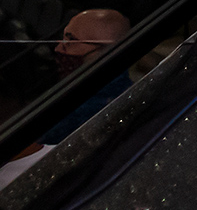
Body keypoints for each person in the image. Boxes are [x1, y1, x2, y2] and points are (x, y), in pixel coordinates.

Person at [40, 8, 133, 142]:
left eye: (71, 41)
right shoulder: (81, 84)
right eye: (63, 38)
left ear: (107, 51)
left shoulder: (98, 107)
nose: (58, 48)